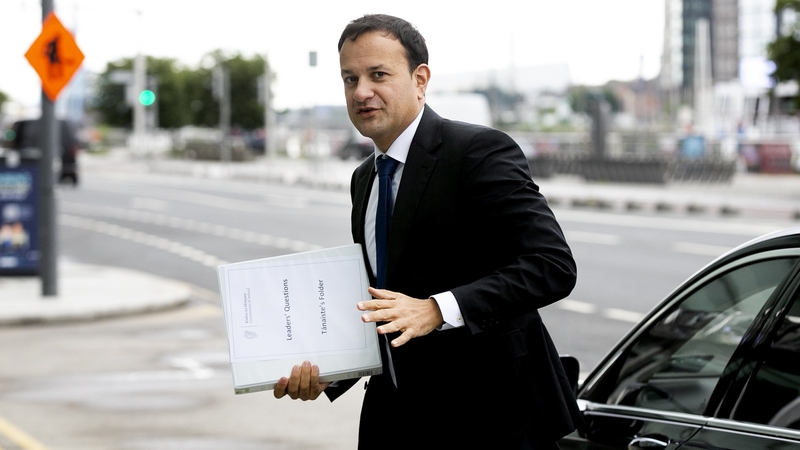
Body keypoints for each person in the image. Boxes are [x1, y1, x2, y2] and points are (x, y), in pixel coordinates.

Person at [274, 14, 581, 449]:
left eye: (378, 74)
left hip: (491, 420)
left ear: (420, 79)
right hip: (396, 419)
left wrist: (438, 309)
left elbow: (552, 266)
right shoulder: (365, 178)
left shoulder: (477, 152)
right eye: (349, 78)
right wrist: (326, 372)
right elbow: (385, 302)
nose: (361, 91)